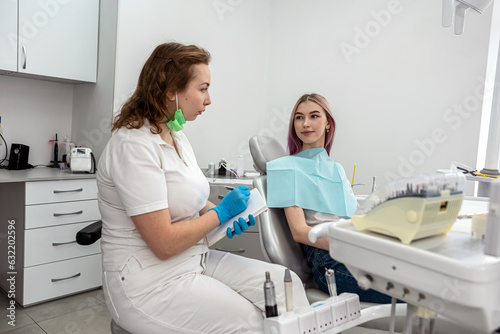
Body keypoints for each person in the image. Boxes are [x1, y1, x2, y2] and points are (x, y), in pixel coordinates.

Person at [96, 42, 310, 334]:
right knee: (250, 322)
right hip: (146, 282)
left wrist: (226, 216)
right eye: (203, 88)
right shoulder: (133, 146)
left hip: (192, 259)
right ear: (172, 91)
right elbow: (164, 243)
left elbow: (191, 202)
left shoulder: (176, 135)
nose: (208, 99)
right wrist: (219, 214)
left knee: (288, 284)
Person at [266, 93, 392, 304]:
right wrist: (348, 245)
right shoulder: (285, 168)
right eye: (299, 117)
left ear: (328, 124)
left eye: (314, 116)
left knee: (420, 278)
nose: (305, 123)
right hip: (328, 260)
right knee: (416, 293)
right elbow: (299, 232)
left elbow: (355, 215)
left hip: (353, 249)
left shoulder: (336, 169)